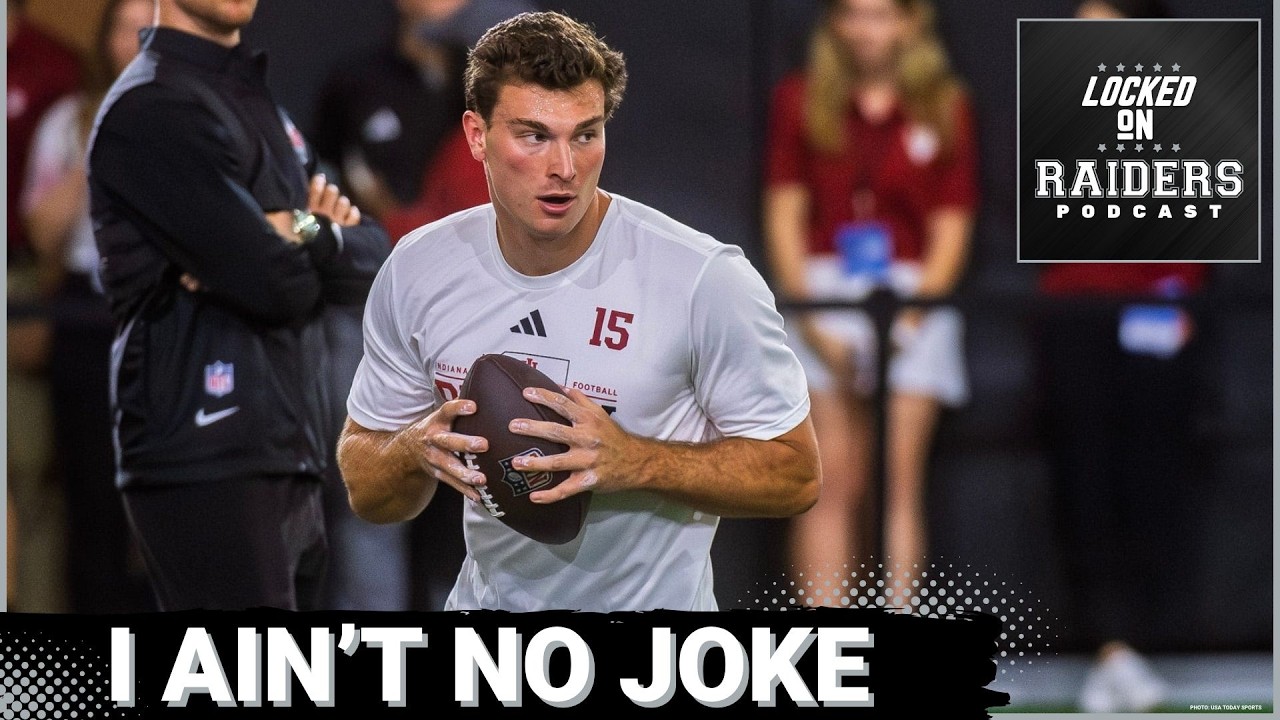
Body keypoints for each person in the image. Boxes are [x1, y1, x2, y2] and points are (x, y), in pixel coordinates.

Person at [338, 10, 820, 612]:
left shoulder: (702, 278)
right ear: (476, 135)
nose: (564, 168)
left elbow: (796, 474)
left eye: (585, 135)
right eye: (534, 136)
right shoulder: (420, 267)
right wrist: (414, 449)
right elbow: (367, 488)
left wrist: (636, 461)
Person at [87, 0, 391, 611]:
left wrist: (296, 228)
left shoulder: (256, 100)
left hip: (290, 445)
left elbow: (372, 255)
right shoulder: (150, 106)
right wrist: (289, 245)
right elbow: (275, 284)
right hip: (206, 451)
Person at [310, 0, 532, 612]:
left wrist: (390, 219)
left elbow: (461, 222)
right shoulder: (357, 82)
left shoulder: (500, 110)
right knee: (373, 495)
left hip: (476, 323)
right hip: (371, 317)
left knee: (473, 501)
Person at [762, 0, 978, 601]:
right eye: (853, 15)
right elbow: (784, 212)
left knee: (897, 479)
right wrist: (812, 324)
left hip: (913, 299)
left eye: (881, 16)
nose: (865, 31)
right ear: (834, 23)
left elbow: (951, 227)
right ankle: (824, 637)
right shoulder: (801, 98)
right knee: (829, 478)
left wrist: (906, 325)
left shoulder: (943, 103)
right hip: (823, 292)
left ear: (910, 23)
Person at [1034, 0, 1189, 713]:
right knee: (1085, 481)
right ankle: (1110, 648)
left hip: (1162, 321)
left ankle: (1139, 643)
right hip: (1076, 319)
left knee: (1151, 481)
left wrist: (1177, 293)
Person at [21, 0, 156, 614]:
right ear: (105, 40)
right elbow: (42, 233)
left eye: (150, 29)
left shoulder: (193, 119)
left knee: (162, 498)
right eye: (126, 29)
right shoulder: (67, 121)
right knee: (90, 493)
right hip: (88, 315)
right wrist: (97, 137)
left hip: (165, 317)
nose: (137, 42)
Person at [6, 0, 83, 613]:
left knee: (33, 471)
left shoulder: (53, 66)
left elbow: (47, 221)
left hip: (22, 280)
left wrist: (43, 300)